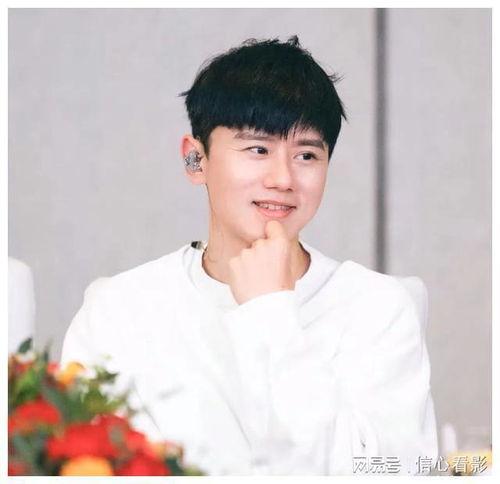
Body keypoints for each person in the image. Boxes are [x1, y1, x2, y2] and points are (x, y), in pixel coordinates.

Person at [60, 36, 438, 475]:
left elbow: (390, 472)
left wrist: (270, 310)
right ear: (195, 160)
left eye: (307, 155)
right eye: (258, 149)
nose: (283, 178)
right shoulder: (121, 308)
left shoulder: (377, 307)